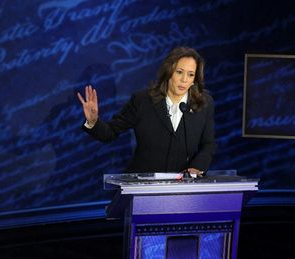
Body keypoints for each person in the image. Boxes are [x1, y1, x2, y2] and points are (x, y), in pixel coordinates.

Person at [77, 46, 216, 175]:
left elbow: (208, 144)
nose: (184, 79)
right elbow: (110, 132)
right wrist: (93, 121)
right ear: (169, 72)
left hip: (183, 187)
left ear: (194, 79)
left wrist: (196, 167)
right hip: (143, 186)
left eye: (190, 74)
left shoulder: (204, 103)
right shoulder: (142, 101)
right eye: (179, 72)